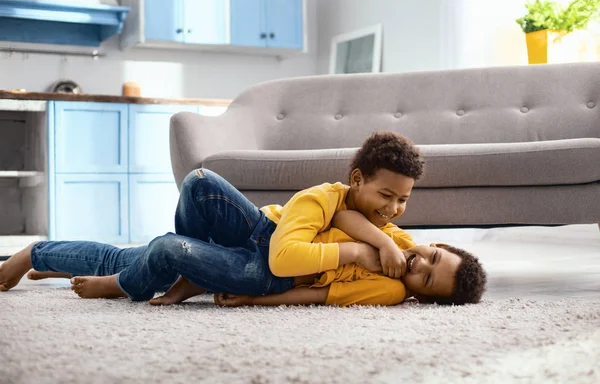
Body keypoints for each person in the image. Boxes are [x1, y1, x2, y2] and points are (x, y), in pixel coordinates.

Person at [0, 132, 486, 306]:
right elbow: (349, 216)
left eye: (425, 283)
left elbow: (309, 285)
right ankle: (34, 253)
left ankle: (136, 281)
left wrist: (258, 301)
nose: (416, 267)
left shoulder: (391, 286)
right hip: (263, 234)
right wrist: (372, 245)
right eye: (429, 258)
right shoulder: (369, 222)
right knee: (197, 182)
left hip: (269, 272)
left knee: (164, 250)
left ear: (420, 296)